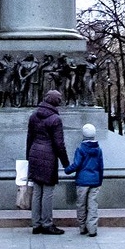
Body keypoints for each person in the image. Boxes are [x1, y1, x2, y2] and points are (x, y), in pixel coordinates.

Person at [25, 89, 71, 234]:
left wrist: (29, 157)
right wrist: (66, 163)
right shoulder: (55, 119)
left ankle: (36, 224)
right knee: (48, 192)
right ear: (55, 102)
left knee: (37, 191)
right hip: (48, 157)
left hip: (34, 154)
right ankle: (47, 224)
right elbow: (59, 144)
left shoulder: (33, 116)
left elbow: (29, 138)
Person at [65, 122, 105, 236]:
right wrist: (100, 180)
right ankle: (92, 229)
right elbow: (101, 166)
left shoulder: (81, 148)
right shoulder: (98, 149)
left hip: (82, 181)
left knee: (81, 205)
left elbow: (76, 164)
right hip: (95, 181)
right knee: (93, 205)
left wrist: (67, 170)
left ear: (83, 135)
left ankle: (82, 228)